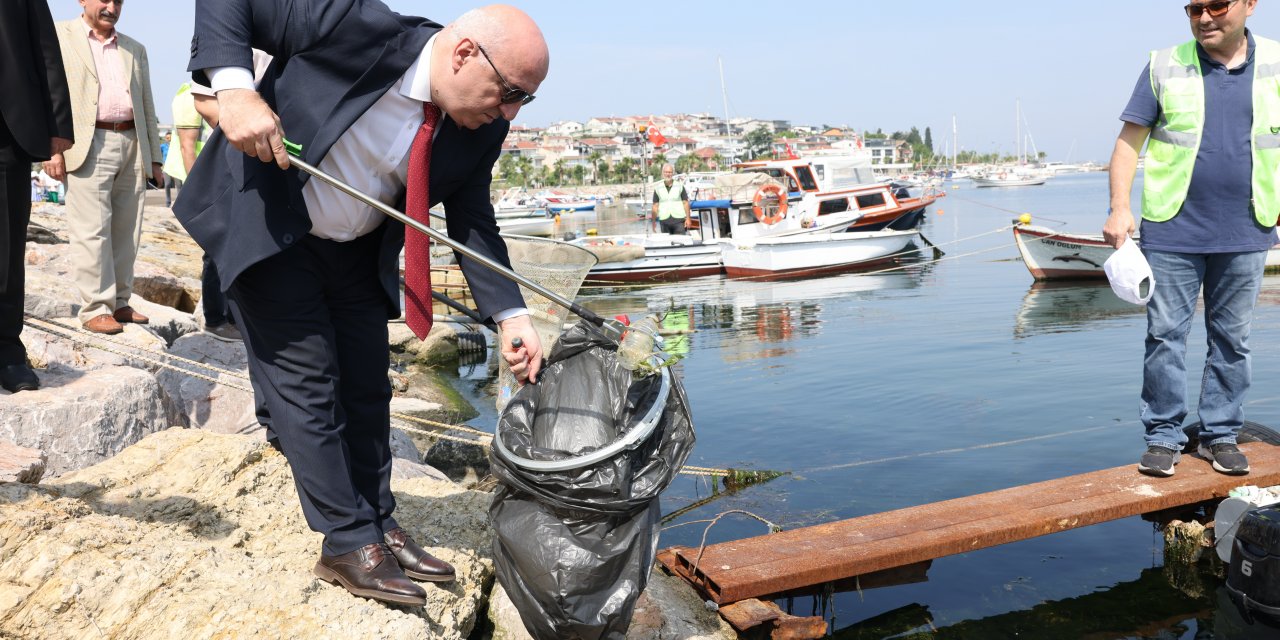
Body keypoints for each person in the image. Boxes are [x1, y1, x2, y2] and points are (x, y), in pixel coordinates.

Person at [178, 0, 547, 607]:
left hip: (354, 250)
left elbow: (473, 222)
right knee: (309, 385)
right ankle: (346, 543)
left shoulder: (482, 127)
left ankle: (377, 521)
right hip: (273, 227)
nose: (509, 111)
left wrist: (512, 315)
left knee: (369, 389)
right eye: (509, 92)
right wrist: (235, 88)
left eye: (522, 100)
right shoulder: (351, 24)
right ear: (463, 54)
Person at [1104, 0, 1277, 478]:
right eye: (1194, 8)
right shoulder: (1164, 64)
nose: (1204, 17)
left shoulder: (1278, 65)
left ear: (1249, 6)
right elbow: (1127, 143)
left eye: (1217, 5)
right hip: (1172, 228)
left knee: (1233, 340)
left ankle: (1221, 435)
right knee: (1165, 337)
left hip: (1249, 227)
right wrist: (1120, 207)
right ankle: (1163, 436)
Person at [46, 0, 163, 336]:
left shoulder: (134, 48)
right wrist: (51, 151)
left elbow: (147, 103)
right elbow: (49, 95)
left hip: (132, 142)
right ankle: (95, 308)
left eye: (118, 1)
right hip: (85, 142)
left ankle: (120, 301)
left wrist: (154, 156)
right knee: (92, 230)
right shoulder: (59, 37)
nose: (111, 7)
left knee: (128, 229)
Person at [0, 0, 73, 393]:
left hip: (7, 128)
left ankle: (7, 349)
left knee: (7, 247)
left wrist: (58, 129)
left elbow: (46, 48)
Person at [651, 163, 691, 234]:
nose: (668, 174)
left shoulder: (680, 186)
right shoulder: (658, 188)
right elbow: (655, 206)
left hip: (679, 220)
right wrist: (653, 222)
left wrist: (688, 218)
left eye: (670, 172)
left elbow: (685, 203)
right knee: (666, 243)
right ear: (663, 173)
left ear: (672, 173)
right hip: (664, 221)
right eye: (666, 172)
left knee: (680, 243)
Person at [159, 131, 173, 206]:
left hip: (175, 167)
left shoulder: (176, 146)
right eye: (167, 138)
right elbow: (157, 154)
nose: (169, 139)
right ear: (165, 138)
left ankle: (179, 202)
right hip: (166, 167)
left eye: (170, 138)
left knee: (179, 185)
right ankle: (168, 201)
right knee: (167, 184)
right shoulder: (162, 146)